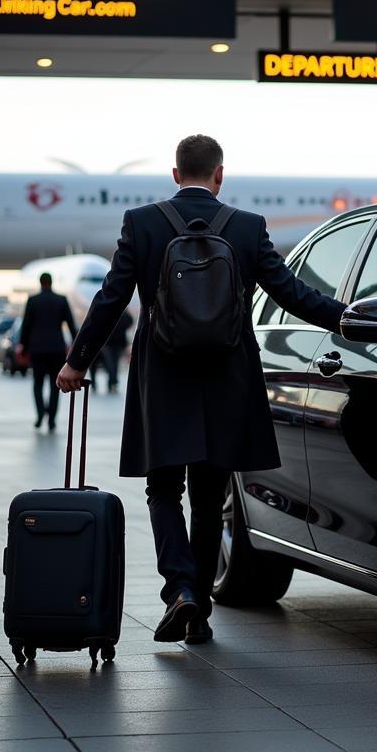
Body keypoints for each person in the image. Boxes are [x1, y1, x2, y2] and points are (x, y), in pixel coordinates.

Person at [56, 135, 345, 646]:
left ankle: (181, 589)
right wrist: (345, 318)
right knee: (210, 496)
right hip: (227, 374)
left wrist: (78, 362)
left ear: (174, 174)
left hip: (163, 373)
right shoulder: (248, 227)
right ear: (219, 175)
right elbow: (291, 293)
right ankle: (201, 611)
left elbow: (112, 297)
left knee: (163, 488)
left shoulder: (141, 222)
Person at [19, 273, 77, 432]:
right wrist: (77, 345)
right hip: (56, 349)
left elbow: (26, 325)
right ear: (51, 283)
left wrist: (23, 346)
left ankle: (39, 415)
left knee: (37, 384)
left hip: (37, 349)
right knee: (54, 385)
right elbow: (71, 324)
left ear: (40, 283)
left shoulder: (33, 301)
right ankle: (51, 419)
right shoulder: (61, 300)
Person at [101, 310, 133, 394]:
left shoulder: (109, 311)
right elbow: (130, 322)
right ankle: (113, 381)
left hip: (111, 342)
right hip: (115, 342)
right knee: (113, 362)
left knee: (112, 363)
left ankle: (112, 381)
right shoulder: (124, 312)